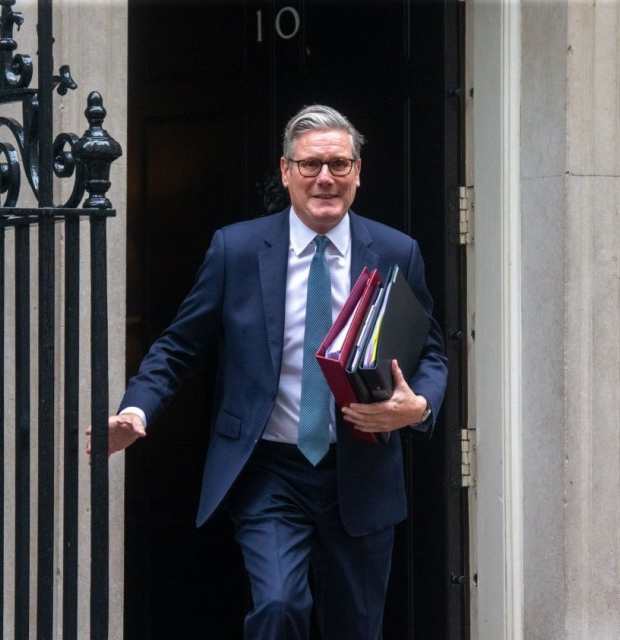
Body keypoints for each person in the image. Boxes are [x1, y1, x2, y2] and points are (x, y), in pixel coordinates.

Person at [92, 104, 448, 638]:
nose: (324, 178)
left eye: (338, 164)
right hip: (269, 472)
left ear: (358, 172)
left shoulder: (397, 251)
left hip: (362, 470)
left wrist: (416, 406)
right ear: (285, 172)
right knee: (279, 605)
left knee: (356, 627)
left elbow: (432, 353)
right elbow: (178, 346)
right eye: (309, 165)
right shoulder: (235, 249)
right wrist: (135, 409)